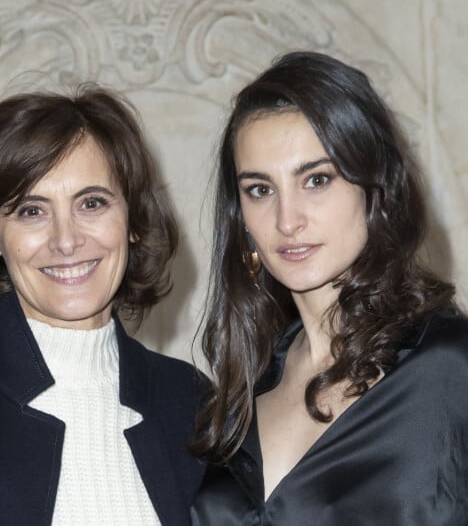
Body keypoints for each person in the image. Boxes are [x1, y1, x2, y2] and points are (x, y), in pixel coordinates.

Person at [0, 86, 205, 525]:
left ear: (132, 220)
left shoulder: (192, 405)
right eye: (31, 211)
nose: (66, 240)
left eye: (91, 203)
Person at [190, 51, 468, 524]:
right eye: (260, 189)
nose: (287, 219)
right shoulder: (241, 393)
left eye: (316, 180)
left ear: (374, 189)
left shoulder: (450, 369)